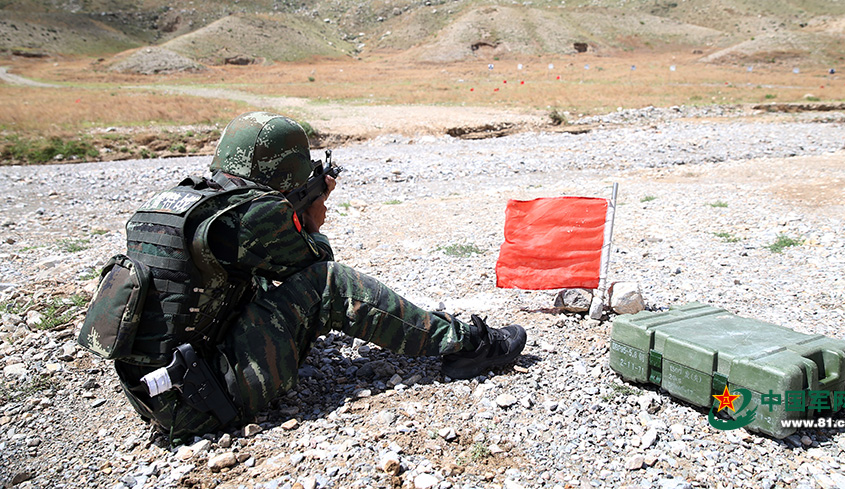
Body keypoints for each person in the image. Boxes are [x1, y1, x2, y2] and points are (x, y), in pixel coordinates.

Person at [79, 111, 526, 440]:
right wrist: (311, 218)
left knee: (254, 282)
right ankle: (468, 344)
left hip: (156, 396)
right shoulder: (252, 214)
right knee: (329, 285)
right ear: (284, 168)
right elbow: (317, 269)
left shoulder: (177, 204)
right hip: (204, 401)